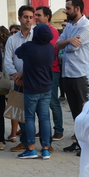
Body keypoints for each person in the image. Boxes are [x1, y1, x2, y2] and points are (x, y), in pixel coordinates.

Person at [57, 0, 89, 155]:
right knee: (75, 112)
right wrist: (68, 40)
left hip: (80, 75)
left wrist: (68, 42)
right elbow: (58, 44)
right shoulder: (70, 26)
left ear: (78, 9)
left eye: (68, 8)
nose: (66, 11)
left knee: (84, 112)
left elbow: (72, 48)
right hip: (68, 74)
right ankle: (79, 142)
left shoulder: (86, 26)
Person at [15, 23, 55, 159]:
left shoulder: (28, 47)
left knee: (30, 118)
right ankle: (45, 149)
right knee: (44, 118)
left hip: (31, 89)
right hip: (46, 88)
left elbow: (17, 53)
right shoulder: (50, 48)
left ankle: (31, 148)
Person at [5, 7, 36, 151]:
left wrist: (23, 74)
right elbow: (7, 61)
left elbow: (38, 59)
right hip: (18, 81)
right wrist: (16, 77)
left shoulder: (37, 36)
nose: (28, 20)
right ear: (19, 19)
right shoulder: (12, 39)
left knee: (39, 113)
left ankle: (44, 143)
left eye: (30, 17)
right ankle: (24, 140)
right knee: (21, 112)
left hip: (35, 80)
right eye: (25, 17)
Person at [35, 6, 64, 141]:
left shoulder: (52, 32)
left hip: (52, 71)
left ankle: (58, 130)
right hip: (39, 71)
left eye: (39, 15)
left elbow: (50, 51)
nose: (36, 17)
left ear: (47, 17)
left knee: (52, 101)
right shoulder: (35, 31)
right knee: (41, 102)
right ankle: (43, 130)